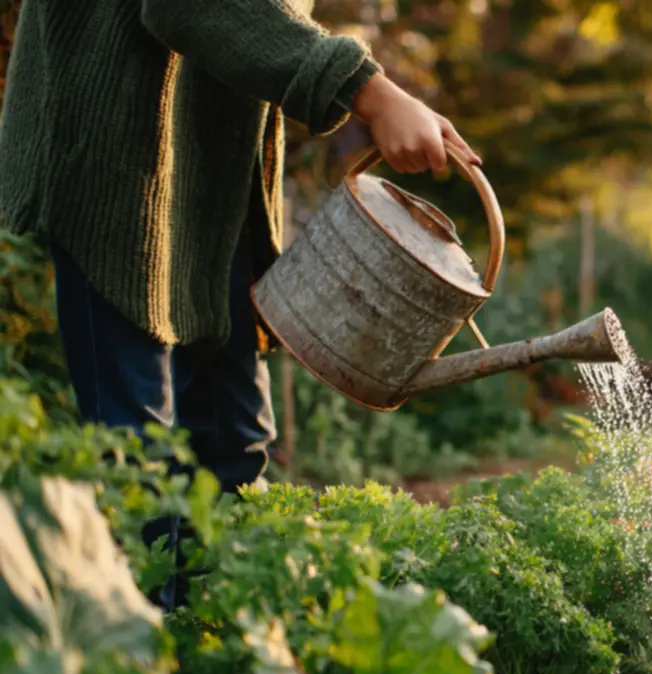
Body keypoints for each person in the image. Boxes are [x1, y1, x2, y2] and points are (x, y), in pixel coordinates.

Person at [0, 1, 479, 608]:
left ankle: (226, 638)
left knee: (234, 442)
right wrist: (370, 92)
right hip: (113, 157)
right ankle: (139, 650)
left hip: (212, 164)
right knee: (138, 456)